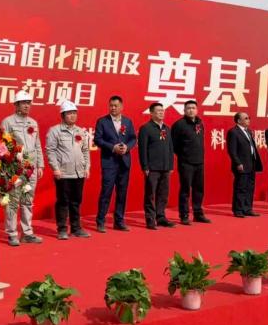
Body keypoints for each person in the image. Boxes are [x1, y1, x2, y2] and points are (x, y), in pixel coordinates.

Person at [1, 90, 44, 246]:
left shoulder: (33, 123)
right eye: (23, 103)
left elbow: (37, 145)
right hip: (15, 168)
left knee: (28, 200)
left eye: (28, 103)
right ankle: (12, 233)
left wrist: (40, 164)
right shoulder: (8, 122)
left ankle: (27, 233)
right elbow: (3, 146)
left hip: (31, 168)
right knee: (13, 200)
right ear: (16, 105)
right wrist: (8, 167)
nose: (27, 105)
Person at [45, 100, 91, 240]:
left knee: (76, 201)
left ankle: (76, 228)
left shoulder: (80, 131)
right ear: (62, 115)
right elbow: (50, 151)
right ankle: (62, 230)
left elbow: (85, 150)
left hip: (78, 173)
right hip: (63, 173)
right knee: (63, 201)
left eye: (74, 113)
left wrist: (87, 167)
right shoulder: (55, 131)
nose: (72, 116)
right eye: (69, 113)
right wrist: (55, 168)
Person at [93, 95, 137, 233]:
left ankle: (119, 221)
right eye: (111, 105)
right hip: (109, 162)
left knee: (122, 193)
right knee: (106, 192)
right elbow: (98, 139)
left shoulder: (128, 121)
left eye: (116, 106)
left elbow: (133, 139)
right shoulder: (102, 121)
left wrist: (127, 148)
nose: (113, 108)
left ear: (121, 107)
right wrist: (113, 147)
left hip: (124, 162)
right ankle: (100, 221)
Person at [170, 100, 211, 225]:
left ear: (197, 110)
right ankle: (184, 215)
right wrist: (183, 155)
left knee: (199, 189)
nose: (191, 110)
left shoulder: (200, 123)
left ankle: (198, 213)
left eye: (193, 108)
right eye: (188, 108)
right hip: (186, 163)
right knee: (185, 190)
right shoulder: (179, 125)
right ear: (184, 110)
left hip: (199, 162)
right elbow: (173, 145)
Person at [138, 103, 175, 229]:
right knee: (150, 194)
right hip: (152, 168)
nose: (161, 113)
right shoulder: (146, 128)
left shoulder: (167, 128)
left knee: (163, 194)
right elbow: (142, 149)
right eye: (158, 111)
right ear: (151, 113)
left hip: (165, 167)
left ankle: (161, 217)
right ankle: (150, 219)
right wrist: (145, 166)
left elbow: (170, 148)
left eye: (162, 110)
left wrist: (171, 165)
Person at [226, 112, 263, 218]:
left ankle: (247, 208)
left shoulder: (248, 131)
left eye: (248, 118)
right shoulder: (233, 132)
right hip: (241, 165)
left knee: (250, 188)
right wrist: (238, 163)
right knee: (240, 188)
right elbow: (232, 150)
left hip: (251, 164)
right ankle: (238, 210)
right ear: (238, 121)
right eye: (246, 118)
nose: (248, 120)